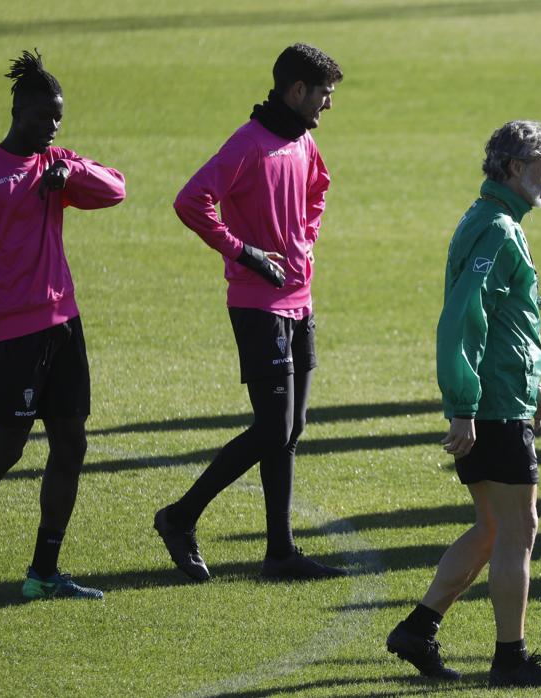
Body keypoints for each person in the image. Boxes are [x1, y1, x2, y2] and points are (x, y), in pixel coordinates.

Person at [385, 121, 541, 688]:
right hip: (492, 408)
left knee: (492, 527)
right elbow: (464, 317)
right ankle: (510, 659)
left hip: (501, 397)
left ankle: (418, 629)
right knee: (520, 527)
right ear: (516, 169)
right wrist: (465, 405)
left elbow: (500, 324)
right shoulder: (496, 228)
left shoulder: (493, 219)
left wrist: (532, 387)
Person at [153, 44, 345, 582]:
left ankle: (280, 553)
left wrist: (304, 241)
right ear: (298, 90)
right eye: (324, 93)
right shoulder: (248, 142)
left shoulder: (303, 140)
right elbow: (191, 200)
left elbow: (318, 189)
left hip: (300, 301)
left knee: (291, 427)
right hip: (258, 304)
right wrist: (244, 252)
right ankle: (179, 517)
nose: (329, 104)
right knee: (272, 427)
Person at [0, 50, 125, 602]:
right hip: (16, 336)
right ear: (18, 111)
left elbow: (116, 188)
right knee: (7, 448)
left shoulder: (56, 165)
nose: (52, 126)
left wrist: (73, 172)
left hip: (64, 326)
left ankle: (44, 573)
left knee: (71, 444)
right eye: (44, 116)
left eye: (58, 118)